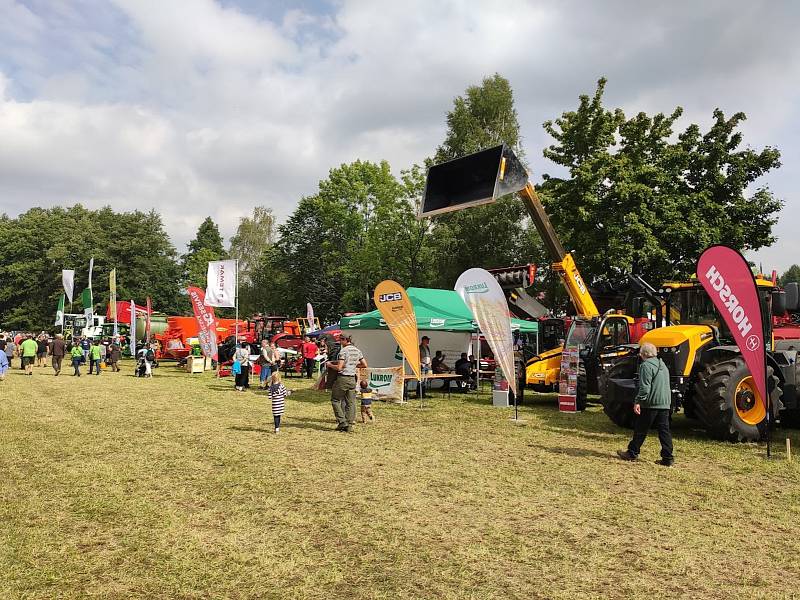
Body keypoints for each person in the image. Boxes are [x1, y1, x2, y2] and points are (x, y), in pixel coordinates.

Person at [617, 342, 674, 467]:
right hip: (664, 403)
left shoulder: (646, 366)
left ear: (643, 354)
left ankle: (632, 452)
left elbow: (645, 388)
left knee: (641, 429)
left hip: (651, 403)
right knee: (664, 430)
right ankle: (668, 457)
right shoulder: (662, 365)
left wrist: (638, 401)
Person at [327, 335, 367, 432]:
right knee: (351, 402)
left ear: (345, 340)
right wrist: (353, 364)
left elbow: (339, 368)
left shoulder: (344, 351)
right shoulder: (357, 350)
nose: (340, 342)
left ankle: (342, 422)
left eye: (341, 340)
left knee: (335, 400)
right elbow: (364, 365)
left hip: (343, 378)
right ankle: (349, 425)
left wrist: (330, 365)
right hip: (352, 379)